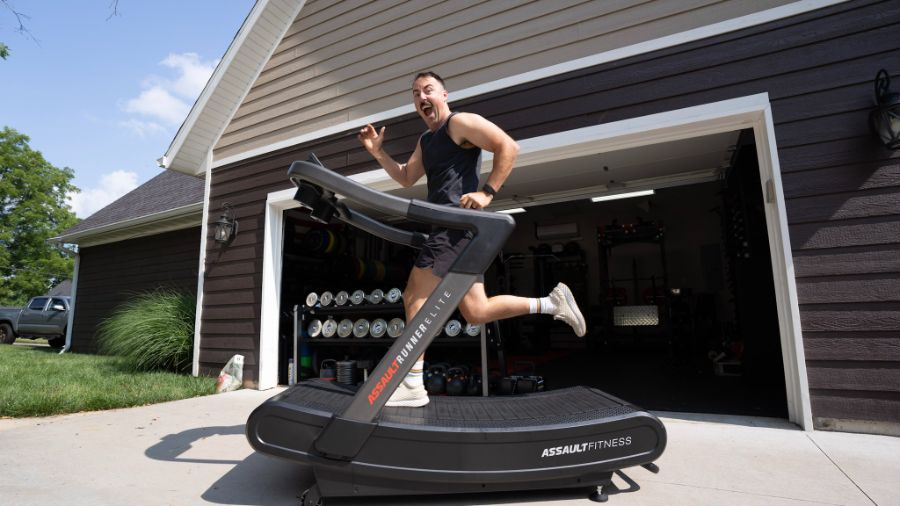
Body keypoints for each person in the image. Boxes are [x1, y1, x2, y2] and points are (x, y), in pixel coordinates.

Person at [358, 71, 586, 407]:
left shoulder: (459, 123)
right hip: (456, 233)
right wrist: (378, 153)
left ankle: (412, 384)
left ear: (444, 95)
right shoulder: (426, 140)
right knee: (476, 312)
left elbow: (507, 146)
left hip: (453, 228)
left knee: (413, 298)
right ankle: (551, 303)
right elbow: (407, 177)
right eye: (416, 93)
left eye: (428, 90)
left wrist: (487, 193)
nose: (422, 97)